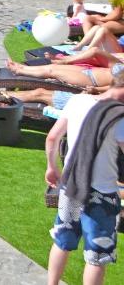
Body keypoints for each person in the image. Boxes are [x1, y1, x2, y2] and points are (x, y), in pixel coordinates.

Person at [44, 73, 124, 285]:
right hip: (102, 195)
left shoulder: (77, 100)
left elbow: (53, 137)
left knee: (63, 239)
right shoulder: (120, 118)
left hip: (70, 186)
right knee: (97, 255)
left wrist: (51, 167)